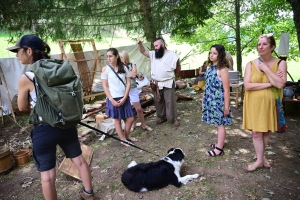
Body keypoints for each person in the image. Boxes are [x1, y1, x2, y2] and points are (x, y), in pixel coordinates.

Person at [7, 34, 94, 200]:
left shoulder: (26, 78)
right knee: (80, 161)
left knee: (47, 175)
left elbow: (22, 107)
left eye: (18, 51)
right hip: (66, 123)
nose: (17, 55)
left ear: (29, 51)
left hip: (44, 129)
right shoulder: (59, 68)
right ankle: (89, 193)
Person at [242, 34, 287, 171]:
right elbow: (247, 86)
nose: (260, 47)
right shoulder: (251, 64)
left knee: (266, 132)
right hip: (254, 103)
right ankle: (260, 160)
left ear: (272, 47)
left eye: (264, 44)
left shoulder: (281, 63)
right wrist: (269, 83)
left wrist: (266, 69)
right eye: (259, 44)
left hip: (270, 103)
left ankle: (260, 158)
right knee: (256, 132)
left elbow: (280, 84)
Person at [137, 37, 181, 127]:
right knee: (159, 102)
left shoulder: (172, 55)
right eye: (154, 46)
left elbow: (178, 67)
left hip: (168, 82)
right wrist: (140, 44)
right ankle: (163, 117)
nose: (155, 48)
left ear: (162, 44)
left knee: (170, 101)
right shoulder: (153, 54)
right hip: (156, 83)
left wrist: (172, 76)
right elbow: (142, 51)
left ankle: (174, 118)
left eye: (156, 46)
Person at [101, 48, 136, 146]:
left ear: (116, 56)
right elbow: (104, 86)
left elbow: (128, 83)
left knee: (130, 118)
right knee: (117, 120)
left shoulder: (124, 67)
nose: (108, 58)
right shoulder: (105, 69)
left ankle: (126, 136)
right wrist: (111, 99)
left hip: (124, 97)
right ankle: (123, 139)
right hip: (113, 98)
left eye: (110, 56)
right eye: (107, 56)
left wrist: (125, 97)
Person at [202, 44, 232, 157]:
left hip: (219, 102)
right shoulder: (209, 68)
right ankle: (219, 143)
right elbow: (207, 85)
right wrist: (203, 98)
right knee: (216, 123)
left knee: (220, 124)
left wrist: (226, 107)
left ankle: (219, 148)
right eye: (211, 53)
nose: (212, 55)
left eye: (215, 53)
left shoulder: (222, 70)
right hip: (210, 101)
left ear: (220, 55)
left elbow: (226, 90)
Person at [119, 51, 153, 132]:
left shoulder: (132, 65)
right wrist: (128, 74)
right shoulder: (118, 67)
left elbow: (134, 75)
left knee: (139, 109)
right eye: (119, 57)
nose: (119, 59)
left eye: (121, 57)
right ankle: (132, 125)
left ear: (125, 57)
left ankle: (144, 124)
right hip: (123, 90)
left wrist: (125, 71)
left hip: (133, 89)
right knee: (129, 108)